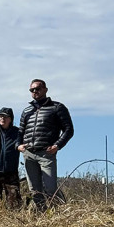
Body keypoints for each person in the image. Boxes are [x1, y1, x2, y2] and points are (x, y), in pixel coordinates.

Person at [17, 80, 74, 210]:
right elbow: (20, 131)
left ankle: (62, 212)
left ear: (45, 89)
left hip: (46, 153)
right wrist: (18, 145)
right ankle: (42, 216)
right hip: (29, 153)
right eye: (32, 90)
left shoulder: (57, 107)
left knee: (50, 188)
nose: (35, 91)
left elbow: (69, 129)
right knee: (34, 189)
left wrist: (57, 145)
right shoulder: (27, 111)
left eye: (38, 88)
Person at [0, 107, 21, 208]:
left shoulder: (17, 132)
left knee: (14, 202)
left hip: (11, 171)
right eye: (0, 116)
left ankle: (14, 221)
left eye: (6, 117)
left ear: (11, 119)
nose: (3, 119)